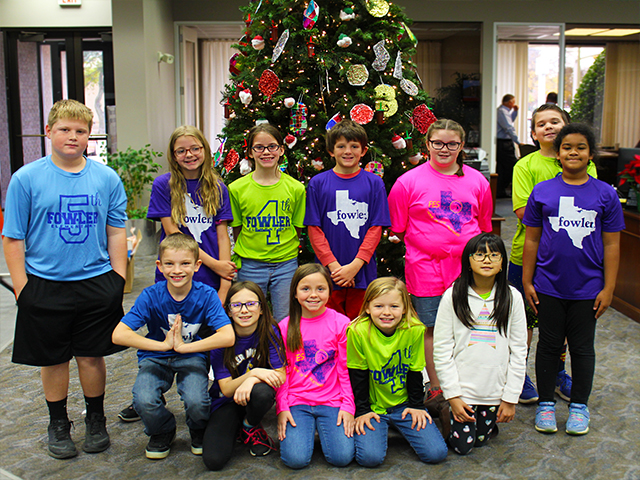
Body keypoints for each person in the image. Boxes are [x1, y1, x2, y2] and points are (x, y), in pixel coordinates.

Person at [2, 99, 128, 459]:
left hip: (96, 281)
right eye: (64, 130)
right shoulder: (26, 179)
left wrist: (117, 279)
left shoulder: (106, 178)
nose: (73, 137)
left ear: (89, 136)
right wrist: (22, 289)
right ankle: (58, 422)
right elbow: (13, 238)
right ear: (49, 132)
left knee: (91, 356)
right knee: (53, 359)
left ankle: (96, 418)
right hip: (44, 283)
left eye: (80, 131)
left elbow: (116, 230)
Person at [118, 125, 235, 423]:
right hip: (176, 271)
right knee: (162, 332)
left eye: (195, 148)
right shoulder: (164, 184)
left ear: (205, 150)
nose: (189, 155)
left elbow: (223, 236)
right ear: (173, 155)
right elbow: (172, 231)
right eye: (181, 150)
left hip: (208, 276)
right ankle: (146, 393)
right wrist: (213, 263)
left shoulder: (218, 187)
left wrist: (223, 280)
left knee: (205, 337)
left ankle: (206, 393)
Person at [388, 119, 493, 421]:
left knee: (470, 326)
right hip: (425, 268)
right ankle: (435, 386)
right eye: (438, 143)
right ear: (427, 145)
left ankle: (466, 385)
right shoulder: (408, 182)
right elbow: (398, 227)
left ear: (461, 146)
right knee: (431, 328)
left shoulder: (477, 182)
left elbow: (483, 227)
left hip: (467, 270)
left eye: (452, 144)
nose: (444, 149)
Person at [522, 123, 624, 435]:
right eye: (567, 147)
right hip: (549, 285)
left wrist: (609, 288)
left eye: (580, 147)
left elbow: (612, 244)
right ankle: (546, 404)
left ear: (591, 154)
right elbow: (531, 241)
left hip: (588, 287)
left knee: (582, 347)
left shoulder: (605, 194)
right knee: (549, 345)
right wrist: (528, 281)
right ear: (558, 154)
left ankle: (579, 404)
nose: (573, 152)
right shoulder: (543, 191)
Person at [112, 233, 235, 459]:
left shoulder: (206, 295)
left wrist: (184, 347)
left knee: (197, 400)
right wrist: (162, 345)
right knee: (144, 399)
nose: (177, 270)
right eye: (169, 264)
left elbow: (228, 336)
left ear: (197, 266)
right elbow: (118, 334)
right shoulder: (151, 295)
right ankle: (162, 430)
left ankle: (198, 430)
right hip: (155, 356)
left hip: (191, 355)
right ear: (159, 265)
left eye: (185, 264)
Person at [510, 104, 598, 404]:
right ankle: (518, 376)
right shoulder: (525, 166)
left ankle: (557, 372)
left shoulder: (584, 163)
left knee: (558, 326)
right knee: (524, 324)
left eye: (555, 121)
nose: (549, 127)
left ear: (567, 126)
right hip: (529, 258)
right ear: (534, 134)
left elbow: (593, 204)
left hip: (571, 260)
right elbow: (524, 212)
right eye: (542, 124)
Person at [433, 233, 527, 455]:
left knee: (482, 440)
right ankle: (445, 408)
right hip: (463, 390)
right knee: (462, 447)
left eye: (494, 255)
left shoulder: (513, 298)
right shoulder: (453, 296)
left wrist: (510, 398)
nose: (487, 260)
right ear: (468, 260)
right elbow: (442, 349)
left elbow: (519, 350)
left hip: (494, 389)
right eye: (480, 254)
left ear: (503, 262)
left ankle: (485, 421)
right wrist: (453, 396)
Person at [347, 277, 448, 467]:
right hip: (373, 408)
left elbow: (415, 371)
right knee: (370, 458)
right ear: (368, 307)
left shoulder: (415, 330)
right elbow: (357, 375)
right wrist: (362, 411)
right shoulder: (357, 331)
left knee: (436, 453)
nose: (386, 312)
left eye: (394, 306)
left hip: (404, 405)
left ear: (404, 308)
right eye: (379, 306)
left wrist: (417, 406)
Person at [305, 119, 390, 319]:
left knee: (359, 326)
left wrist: (354, 267)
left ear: (363, 150)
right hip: (328, 274)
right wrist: (335, 267)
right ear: (331, 151)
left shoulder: (374, 183)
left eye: (354, 146)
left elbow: (376, 227)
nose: (348, 151)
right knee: (329, 326)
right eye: (341, 146)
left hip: (362, 272)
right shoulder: (318, 183)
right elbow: (314, 229)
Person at [276, 263, 355, 469]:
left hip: (331, 401)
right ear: (294, 293)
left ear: (329, 291)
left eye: (320, 289)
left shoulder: (341, 323)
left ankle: (322, 430)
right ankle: (305, 432)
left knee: (342, 458)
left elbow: (345, 370)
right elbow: (282, 371)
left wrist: (348, 405)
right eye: (305, 289)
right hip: (297, 401)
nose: (313, 295)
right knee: (295, 460)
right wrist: (282, 407)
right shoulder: (284, 327)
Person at [202, 281, 286, 470]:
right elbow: (226, 389)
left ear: (262, 308)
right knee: (214, 460)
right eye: (237, 305)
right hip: (227, 401)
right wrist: (255, 372)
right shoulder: (221, 338)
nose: (244, 310)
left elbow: (280, 374)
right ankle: (237, 426)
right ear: (229, 311)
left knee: (263, 392)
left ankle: (250, 424)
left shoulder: (270, 331)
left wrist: (253, 379)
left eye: (251, 303)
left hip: (255, 395)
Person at [228, 124, 306, 321]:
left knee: (285, 318)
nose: (266, 152)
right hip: (250, 264)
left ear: (281, 150)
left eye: (272, 146)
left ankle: (282, 353)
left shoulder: (296, 188)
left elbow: (296, 228)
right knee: (249, 316)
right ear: (250, 152)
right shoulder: (236, 189)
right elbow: (237, 228)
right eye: (259, 147)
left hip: (286, 264)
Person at [496, 94, 521, 198]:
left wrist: (515, 112)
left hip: (502, 142)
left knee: (502, 167)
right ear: (510, 102)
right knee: (511, 166)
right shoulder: (502, 111)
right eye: (513, 102)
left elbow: (510, 121)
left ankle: (500, 190)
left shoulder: (505, 112)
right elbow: (509, 127)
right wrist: (518, 142)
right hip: (504, 143)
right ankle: (504, 189)